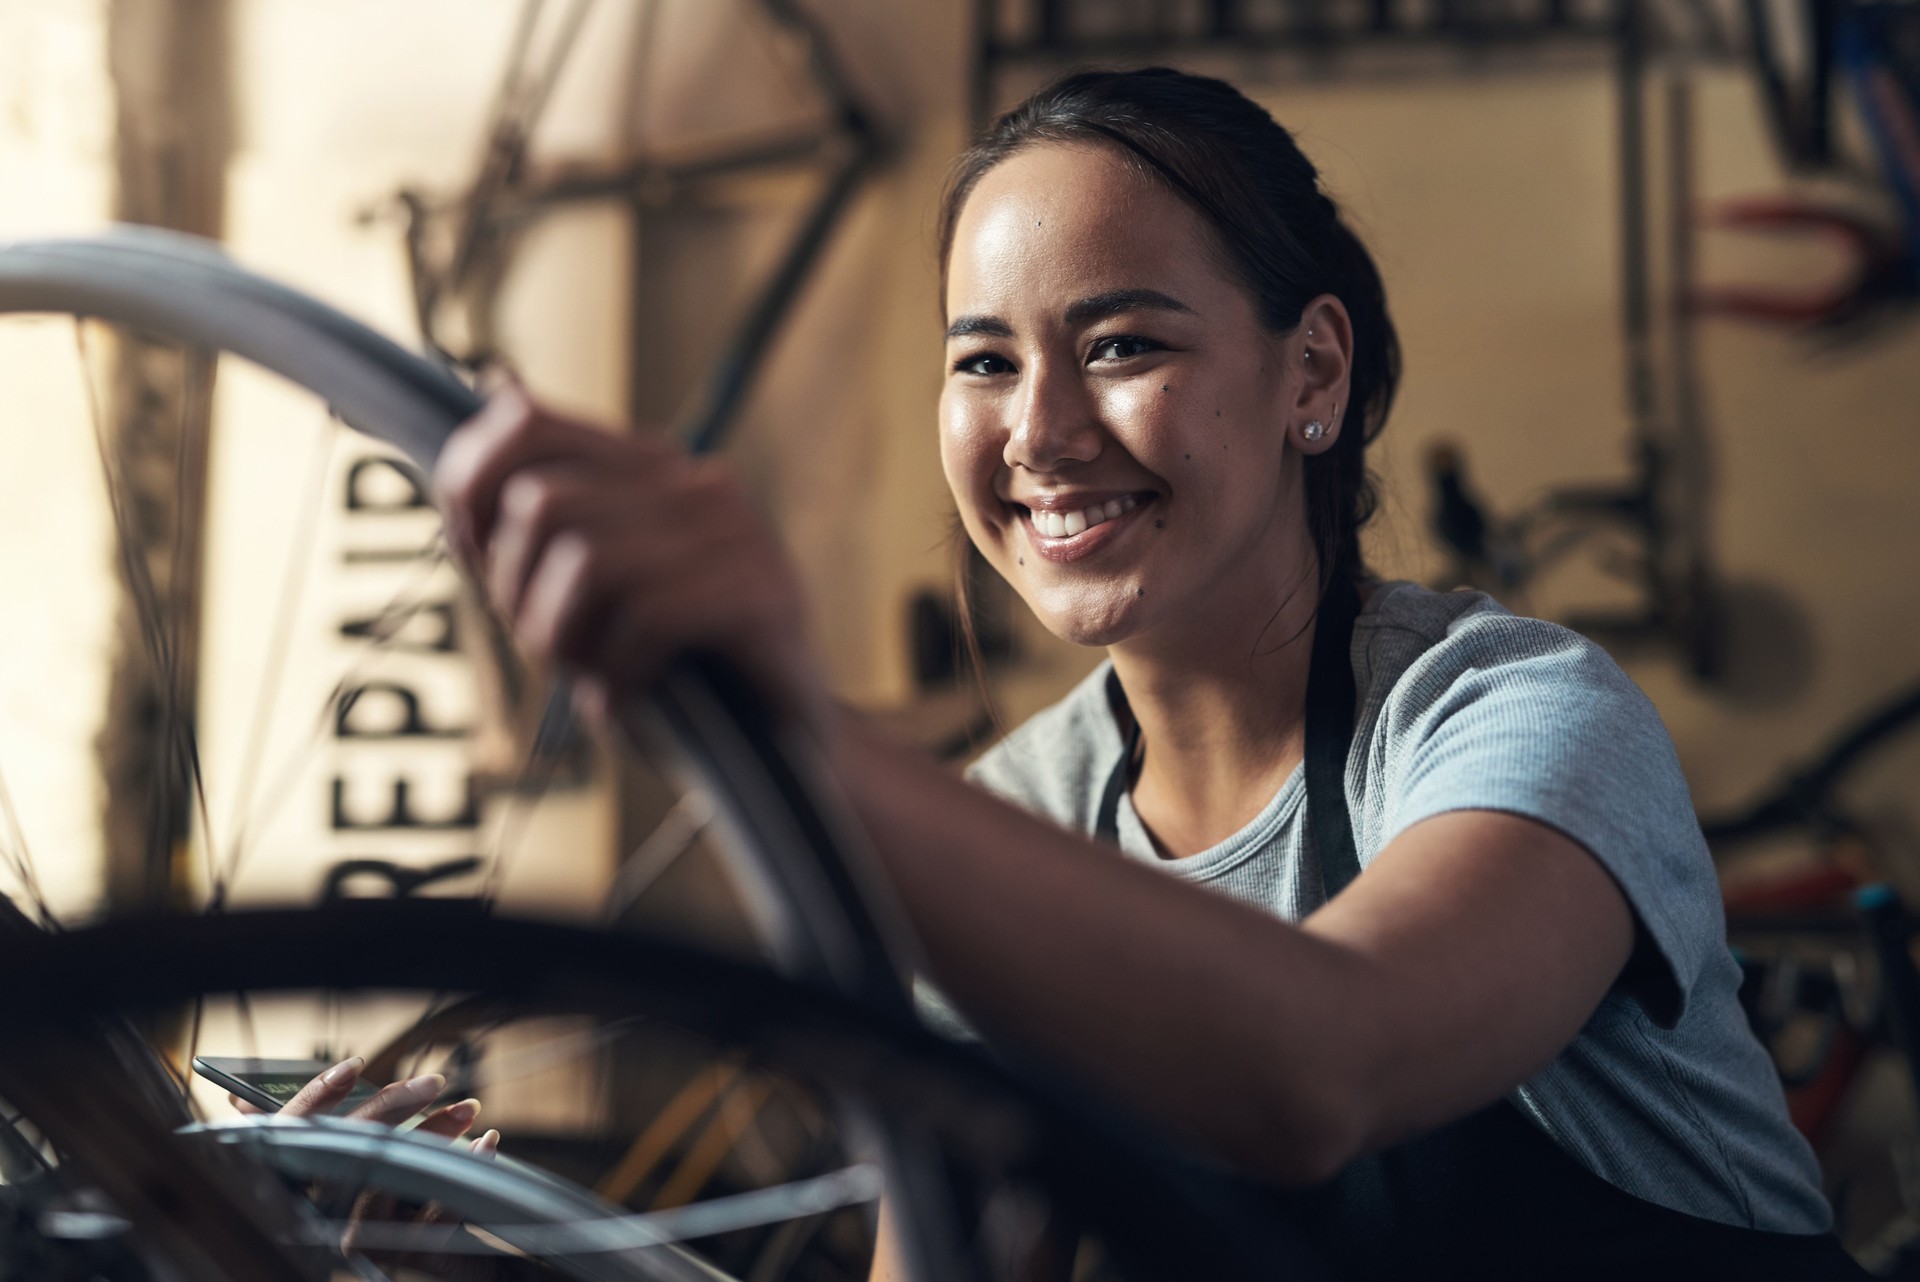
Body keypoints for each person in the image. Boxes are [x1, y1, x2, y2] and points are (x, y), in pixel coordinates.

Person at [424, 68, 1862, 1278]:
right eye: (983, 362)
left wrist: (797, 732)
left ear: (1313, 375)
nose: (1039, 433)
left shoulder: (1520, 716)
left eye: (1122, 344)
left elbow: (1324, 1065)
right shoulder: (1021, 814)